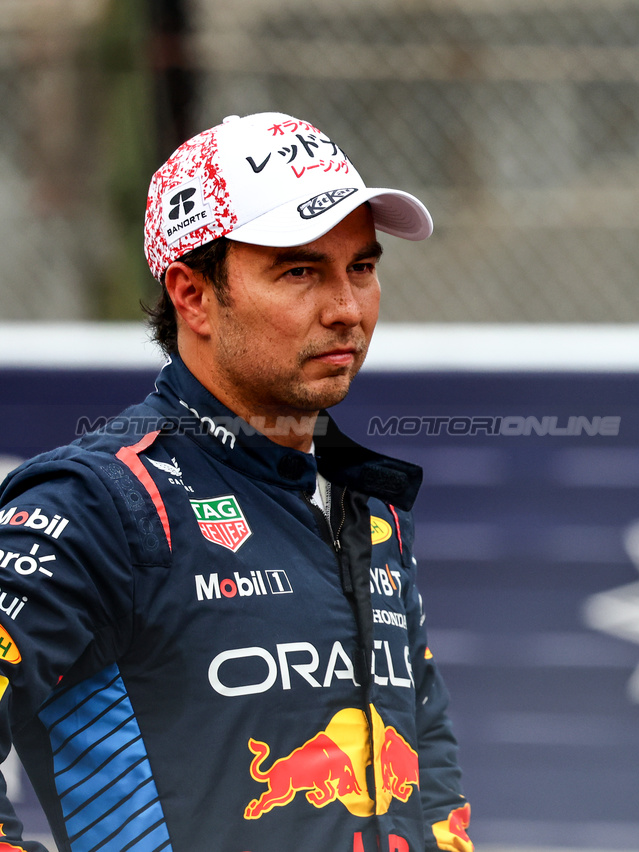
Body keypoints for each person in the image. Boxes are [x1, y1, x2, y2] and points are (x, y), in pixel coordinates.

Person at [0, 113, 472, 851]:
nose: (347, 308)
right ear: (192, 296)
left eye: (363, 267)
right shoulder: (98, 503)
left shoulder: (366, 500)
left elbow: (423, 754)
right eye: (299, 271)